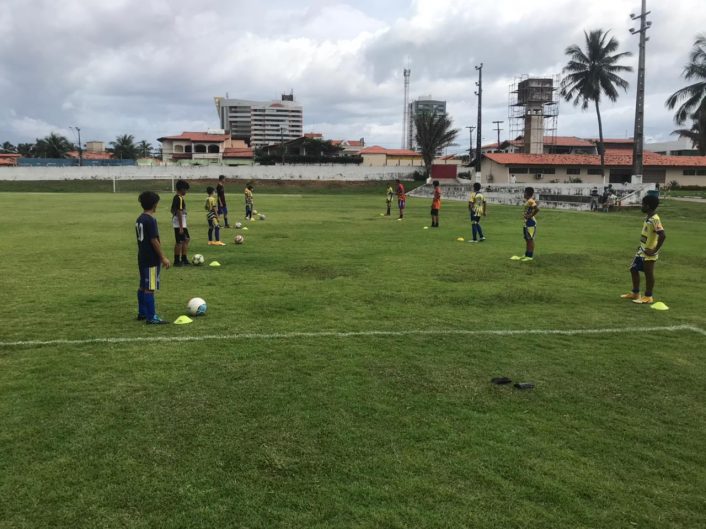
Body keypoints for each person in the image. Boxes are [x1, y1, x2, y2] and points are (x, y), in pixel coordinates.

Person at [621, 195, 666, 304]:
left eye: (643, 204)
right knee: (633, 269)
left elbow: (662, 235)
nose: (641, 206)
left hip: (649, 252)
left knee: (648, 273)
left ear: (648, 206)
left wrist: (654, 250)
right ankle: (635, 293)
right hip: (642, 250)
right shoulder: (648, 217)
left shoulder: (655, 219)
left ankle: (648, 296)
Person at [135, 191, 170, 324]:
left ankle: (142, 313)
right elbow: (154, 240)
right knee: (150, 287)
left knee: (143, 285)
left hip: (142, 257)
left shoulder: (140, 219)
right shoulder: (150, 220)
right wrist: (163, 258)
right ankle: (151, 317)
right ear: (155, 205)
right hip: (151, 259)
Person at [171, 179, 190, 266]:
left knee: (186, 239)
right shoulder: (179, 198)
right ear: (181, 189)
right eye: (185, 189)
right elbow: (179, 212)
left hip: (180, 222)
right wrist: (181, 227)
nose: (186, 191)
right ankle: (177, 261)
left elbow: (172, 210)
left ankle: (184, 259)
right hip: (179, 223)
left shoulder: (176, 197)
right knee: (179, 242)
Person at [518, 187, 539, 262]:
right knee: (527, 239)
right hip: (527, 223)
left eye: (524, 192)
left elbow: (537, 209)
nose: (523, 194)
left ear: (527, 193)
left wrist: (530, 216)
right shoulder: (528, 201)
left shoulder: (530, 200)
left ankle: (530, 256)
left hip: (531, 223)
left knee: (530, 239)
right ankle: (527, 254)